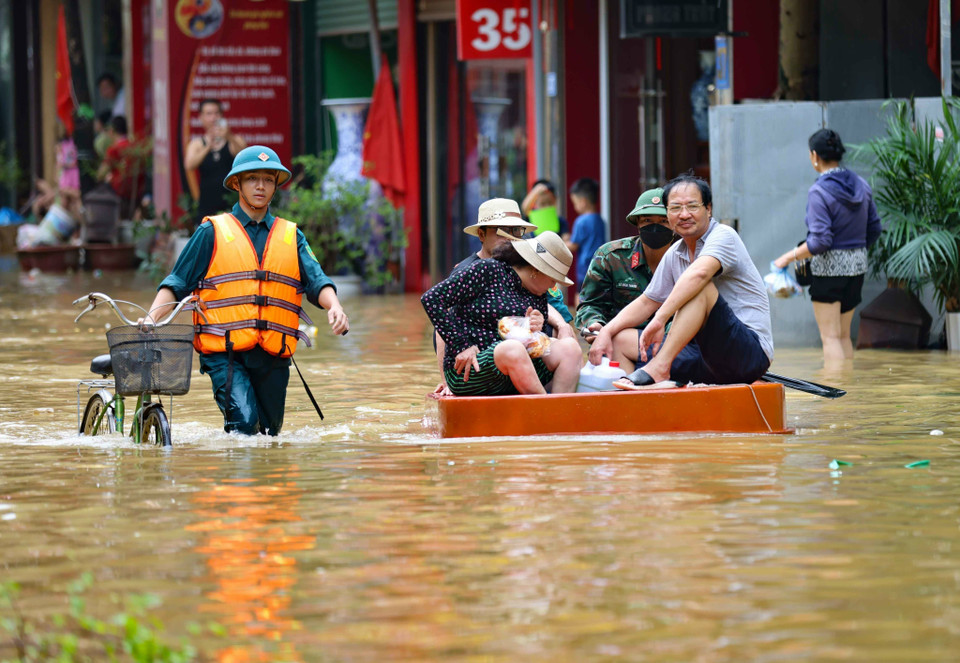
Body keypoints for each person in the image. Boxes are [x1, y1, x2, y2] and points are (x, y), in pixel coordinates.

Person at [143, 146, 349, 435]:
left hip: (272, 354)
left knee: (270, 434)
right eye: (252, 178)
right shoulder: (211, 232)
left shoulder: (291, 235)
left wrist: (335, 306)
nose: (261, 186)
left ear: (276, 185)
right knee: (244, 424)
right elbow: (177, 282)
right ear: (237, 183)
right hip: (225, 353)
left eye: (268, 179)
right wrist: (151, 320)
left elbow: (317, 280)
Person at [589, 174, 773, 389]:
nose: (684, 215)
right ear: (668, 213)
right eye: (675, 208)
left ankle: (660, 367)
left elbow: (699, 275)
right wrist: (606, 331)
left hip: (747, 354)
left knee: (699, 289)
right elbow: (647, 301)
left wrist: (660, 319)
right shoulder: (675, 252)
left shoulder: (724, 236)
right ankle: (634, 409)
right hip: (699, 355)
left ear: (708, 209)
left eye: (692, 206)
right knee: (619, 339)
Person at [432, 198, 575, 395]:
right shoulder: (477, 269)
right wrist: (455, 361)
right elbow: (438, 314)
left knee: (569, 347)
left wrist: (544, 323)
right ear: (481, 234)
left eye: (517, 231)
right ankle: (546, 410)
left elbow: (538, 323)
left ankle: (561, 409)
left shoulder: (530, 281)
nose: (512, 238)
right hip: (476, 364)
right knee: (513, 349)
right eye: (504, 230)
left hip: (517, 360)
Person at [772, 129, 882, 365]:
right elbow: (874, 229)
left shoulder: (819, 191)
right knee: (843, 337)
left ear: (814, 156)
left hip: (827, 272)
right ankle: (847, 393)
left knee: (830, 338)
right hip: (857, 269)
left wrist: (786, 258)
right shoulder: (861, 184)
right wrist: (854, 252)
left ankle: (836, 401)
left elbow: (820, 241)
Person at [575, 187, 678, 370]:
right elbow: (590, 303)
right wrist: (595, 324)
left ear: (674, 224)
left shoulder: (687, 259)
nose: (655, 227)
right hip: (617, 347)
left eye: (663, 221)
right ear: (637, 223)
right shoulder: (611, 256)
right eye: (647, 220)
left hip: (673, 346)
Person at [184, 98, 248, 227]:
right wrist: (208, 145)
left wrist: (228, 136)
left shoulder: (234, 140)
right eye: (209, 114)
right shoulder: (197, 144)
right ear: (201, 118)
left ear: (222, 116)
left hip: (233, 206)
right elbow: (189, 165)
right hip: (207, 207)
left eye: (216, 113)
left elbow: (245, 157)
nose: (213, 118)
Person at [565, 178, 607, 303]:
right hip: (600, 265)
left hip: (585, 268)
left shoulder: (581, 221)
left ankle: (580, 320)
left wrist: (562, 243)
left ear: (583, 202)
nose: (575, 206)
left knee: (580, 295)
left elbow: (573, 245)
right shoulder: (600, 220)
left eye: (575, 203)